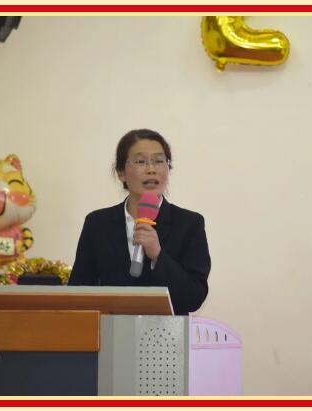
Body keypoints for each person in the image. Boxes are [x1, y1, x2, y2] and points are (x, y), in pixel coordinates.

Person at [68, 129, 211, 315]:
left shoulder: (189, 224)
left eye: (159, 161)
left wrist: (158, 255)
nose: (151, 169)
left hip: (166, 332)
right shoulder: (98, 224)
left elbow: (193, 297)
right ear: (121, 173)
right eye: (141, 161)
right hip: (110, 330)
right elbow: (79, 291)